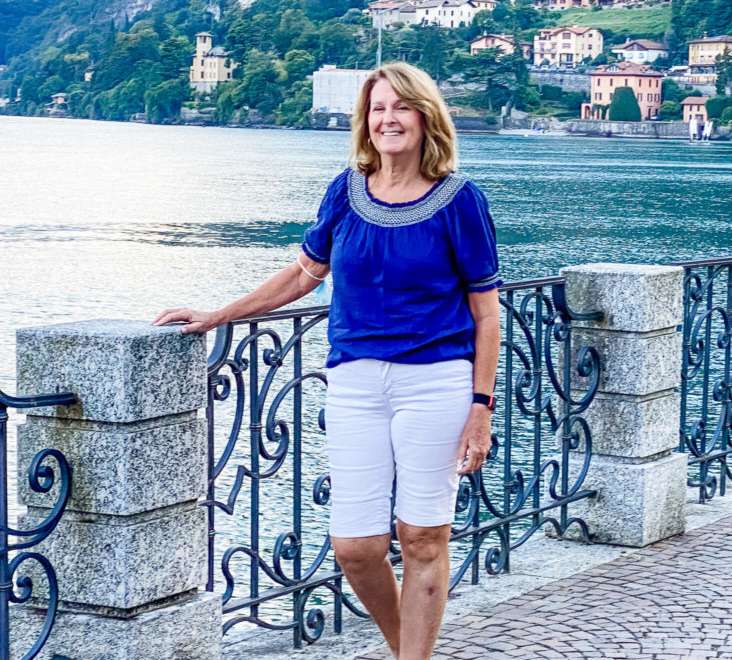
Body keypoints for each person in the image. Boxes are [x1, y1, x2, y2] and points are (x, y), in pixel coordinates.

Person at [152, 61, 502, 660]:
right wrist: (219, 314)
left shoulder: (460, 201)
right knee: (355, 546)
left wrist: (481, 408)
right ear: (365, 121)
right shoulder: (346, 191)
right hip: (355, 384)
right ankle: (407, 652)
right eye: (377, 108)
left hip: (437, 384)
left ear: (425, 117)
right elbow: (303, 276)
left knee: (421, 536)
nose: (388, 118)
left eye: (401, 107)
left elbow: (486, 313)